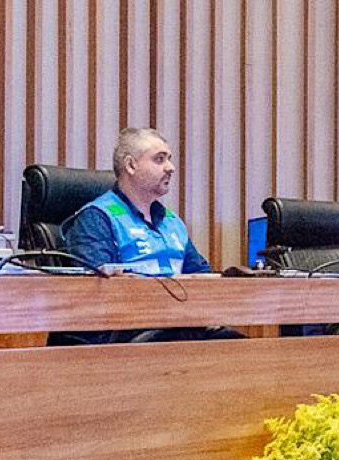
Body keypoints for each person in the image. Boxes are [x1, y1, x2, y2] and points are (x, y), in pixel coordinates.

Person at [55, 127, 242, 344]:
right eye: (159, 159)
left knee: (241, 347)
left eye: (169, 159)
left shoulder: (172, 222)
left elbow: (201, 276)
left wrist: (232, 277)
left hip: (180, 323)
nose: (170, 168)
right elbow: (100, 290)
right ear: (131, 165)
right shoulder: (97, 217)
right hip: (128, 333)